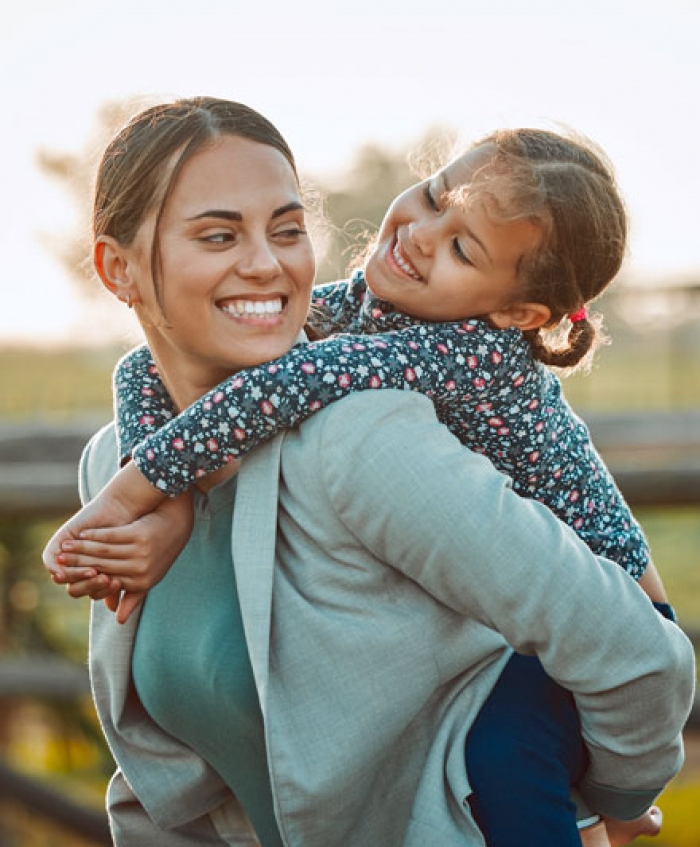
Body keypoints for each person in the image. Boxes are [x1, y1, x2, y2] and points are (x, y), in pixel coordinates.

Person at [42, 98, 695, 846]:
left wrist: (615, 801)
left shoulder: (411, 387)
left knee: (507, 755)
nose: (265, 263)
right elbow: (181, 776)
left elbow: (635, 649)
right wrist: (161, 487)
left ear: (517, 310)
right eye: (220, 234)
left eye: (287, 230)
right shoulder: (113, 454)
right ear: (116, 268)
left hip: (619, 596)